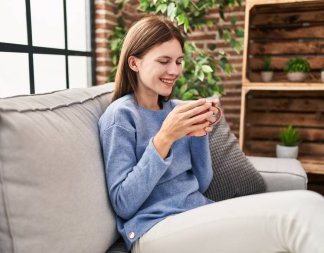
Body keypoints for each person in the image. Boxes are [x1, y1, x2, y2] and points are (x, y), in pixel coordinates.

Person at [98, 15, 324, 253]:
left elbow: (202, 182)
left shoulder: (177, 110)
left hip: (197, 212)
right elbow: (123, 203)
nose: (174, 70)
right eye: (164, 61)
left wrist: (199, 134)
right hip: (152, 229)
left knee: (306, 203)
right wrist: (164, 138)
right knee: (302, 211)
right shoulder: (120, 117)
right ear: (134, 63)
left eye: (179, 61)